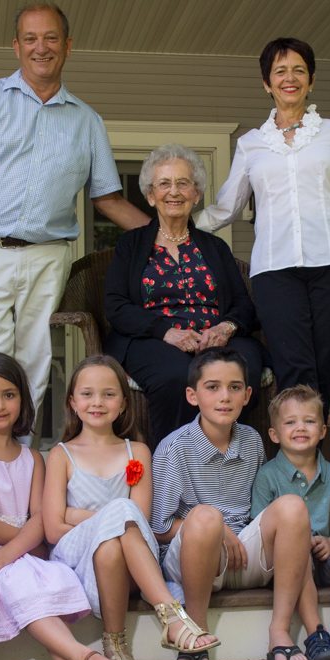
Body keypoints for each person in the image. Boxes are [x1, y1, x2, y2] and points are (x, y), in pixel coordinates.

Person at [0, 2, 149, 415]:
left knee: (34, 370)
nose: (41, 47)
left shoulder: (87, 120)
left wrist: (175, 237)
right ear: (16, 47)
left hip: (49, 258)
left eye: (51, 37)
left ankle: (23, 465)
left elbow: (108, 199)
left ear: (67, 45)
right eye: (31, 38)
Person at [199, 36, 330, 404]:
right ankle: (298, 453)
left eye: (299, 70)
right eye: (280, 71)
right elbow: (227, 207)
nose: (290, 78)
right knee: (293, 364)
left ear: (311, 80)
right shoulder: (252, 144)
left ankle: (309, 453)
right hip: (275, 269)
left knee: (324, 361)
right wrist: (176, 225)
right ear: (266, 83)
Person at [0, 350, 134, 660]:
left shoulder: (32, 458)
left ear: (23, 399)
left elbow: (41, 517)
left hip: (19, 551)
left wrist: (15, 549)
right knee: (19, 584)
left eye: (9, 395)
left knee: (31, 586)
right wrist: (13, 548)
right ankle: (86, 658)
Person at [44, 355, 217, 660]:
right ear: (72, 402)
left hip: (125, 556)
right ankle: (172, 617)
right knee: (121, 514)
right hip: (77, 559)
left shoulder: (136, 451)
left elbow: (142, 518)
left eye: (109, 394)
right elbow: (53, 528)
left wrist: (75, 514)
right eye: (87, 394)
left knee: (113, 540)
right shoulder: (60, 455)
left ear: (123, 403)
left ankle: (115, 644)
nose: (98, 402)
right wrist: (107, 515)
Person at [151, 347, 320, 660]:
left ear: (247, 395)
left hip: (241, 554)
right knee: (205, 516)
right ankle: (196, 631)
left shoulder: (253, 441)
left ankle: (280, 631)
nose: (224, 397)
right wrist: (217, 529)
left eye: (234, 387)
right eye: (212, 387)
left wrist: (234, 533)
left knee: (292, 506)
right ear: (192, 395)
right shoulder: (174, 448)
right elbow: (160, 527)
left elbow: (258, 511)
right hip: (193, 556)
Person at [105, 143, 266, 444]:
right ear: (151, 196)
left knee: (240, 372)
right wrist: (166, 332)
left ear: (196, 193)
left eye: (183, 183)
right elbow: (116, 306)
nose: (174, 192)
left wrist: (225, 327)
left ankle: (230, 459)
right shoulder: (132, 245)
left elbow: (244, 304)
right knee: (177, 376)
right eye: (164, 184)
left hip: (214, 338)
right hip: (153, 339)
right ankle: (172, 466)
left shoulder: (214, 247)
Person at [251, 385, 330, 660]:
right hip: (292, 563)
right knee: (297, 556)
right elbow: (259, 526)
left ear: (323, 430)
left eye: (309, 421)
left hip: (327, 555)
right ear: (275, 434)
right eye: (290, 422)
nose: (300, 428)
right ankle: (316, 634)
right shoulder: (267, 476)